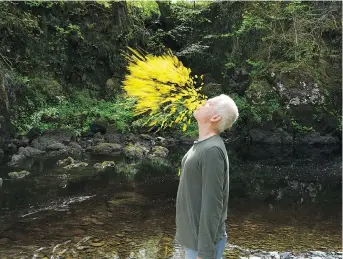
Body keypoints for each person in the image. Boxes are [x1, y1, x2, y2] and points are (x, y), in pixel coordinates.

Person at [175, 94, 239, 259]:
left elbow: (213, 204)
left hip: (202, 246)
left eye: (208, 103)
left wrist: (205, 252)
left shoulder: (212, 151)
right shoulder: (203, 144)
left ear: (215, 117)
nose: (202, 102)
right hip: (194, 241)